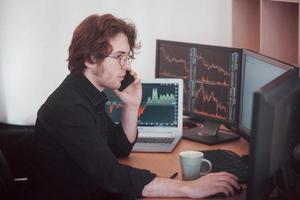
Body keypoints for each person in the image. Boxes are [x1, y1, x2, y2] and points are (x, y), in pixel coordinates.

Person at [28, 14, 240, 200]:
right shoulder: (68, 108)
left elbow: (119, 147)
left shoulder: (87, 94)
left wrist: (131, 105)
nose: (127, 66)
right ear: (91, 59)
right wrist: (189, 188)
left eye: (127, 57)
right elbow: (112, 176)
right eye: (119, 57)